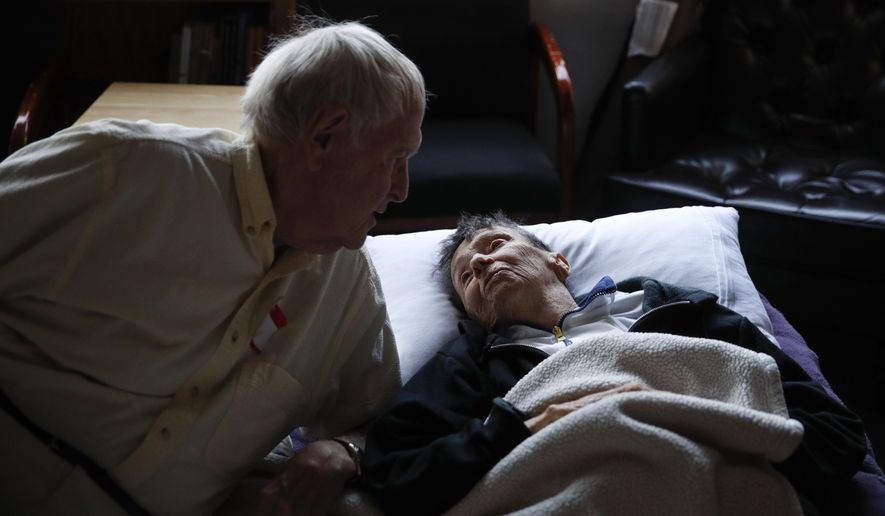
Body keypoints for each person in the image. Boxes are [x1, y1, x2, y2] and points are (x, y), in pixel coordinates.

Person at [0, 19, 424, 516]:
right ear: (323, 137)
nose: (403, 188)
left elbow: (383, 418)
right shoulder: (123, 171)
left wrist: (344, 450)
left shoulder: (348, 290)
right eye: (396, 158)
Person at [356, 211, 868, 516]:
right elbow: (395, 473)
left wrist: (690, 412)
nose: (483, 264)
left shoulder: (675, 311)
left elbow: (833, 436)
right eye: (466, 276)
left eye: (494, 246)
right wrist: (521, 428)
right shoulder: (469, 368)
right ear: (470, 312)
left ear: (558, 262)